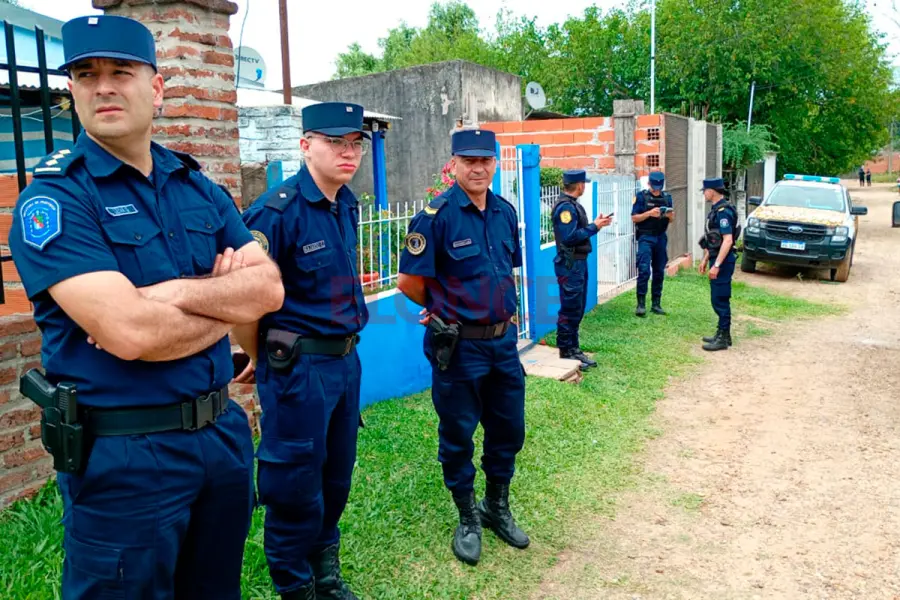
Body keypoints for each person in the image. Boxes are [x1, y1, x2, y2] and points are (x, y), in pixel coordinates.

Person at [8, 15, 284, 599]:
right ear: (73, 92)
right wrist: (219, 302)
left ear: (156, 88)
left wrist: (171, 296)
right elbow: (131, 332)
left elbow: (267, 292)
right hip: (125, 459)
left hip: (221, 438)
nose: (103, 86)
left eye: (121, 71)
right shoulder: (55, 199)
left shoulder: (197, 187)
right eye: (86, 74)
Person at [236, 102, 371, 600]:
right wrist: (258, 355)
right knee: (294, 483)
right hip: (299, 368)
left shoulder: (347, 204)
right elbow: (246, 298)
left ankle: (325, 573)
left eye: (355, 143)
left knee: (336, 476)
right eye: (335, 142)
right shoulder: (277, 212)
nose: (348, 152)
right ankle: (294, 586)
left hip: (343, 361)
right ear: (305, 145)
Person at [397, 128, 529, 567]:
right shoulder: (433, 218)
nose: (477, 168)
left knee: (508, 428)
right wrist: (439, 306)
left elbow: (504, 272)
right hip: (458, 348)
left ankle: (496, 505)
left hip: (503, 343)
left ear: (495, 163)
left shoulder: (505, 213)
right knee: (457, 435)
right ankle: (468, 517)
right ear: (452, 163)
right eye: (468, 160)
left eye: (485, 160)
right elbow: (409, 281)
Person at [551, 169, 612, 369]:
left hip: (577, 262)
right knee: (570, 308)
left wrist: (596, 224)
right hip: (570, 264)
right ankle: (566, 350)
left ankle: (574, 349)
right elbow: (569, 237)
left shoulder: (572, 206)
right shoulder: (565, 209)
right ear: (580, 185)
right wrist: (595, 226)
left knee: (576, 307)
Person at [698, 178, 740, 352]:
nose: (704, 193)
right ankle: (723, 334)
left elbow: (728, 240)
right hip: (717, 258)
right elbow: (714, 240)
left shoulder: (723, 212)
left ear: (712, 191)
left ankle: (723, 337)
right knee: (717, 297)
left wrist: (716, 265)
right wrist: (706, 258)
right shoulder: (716, 210)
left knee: (720, 299)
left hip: (722, 261)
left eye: (705, 190)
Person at [631, 171, 675, 317]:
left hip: (660, 237)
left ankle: (656, 303)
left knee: (659, 270)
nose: (657, 190)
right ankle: (641, 304)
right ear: (649, 184)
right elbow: (634, 218)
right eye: (654, 186)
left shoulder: (667, 198)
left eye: (659, 187)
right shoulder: (641, 197)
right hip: (645, 237)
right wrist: (649, 214)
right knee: (644, 270)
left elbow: (672, 219)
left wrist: (669, 216)